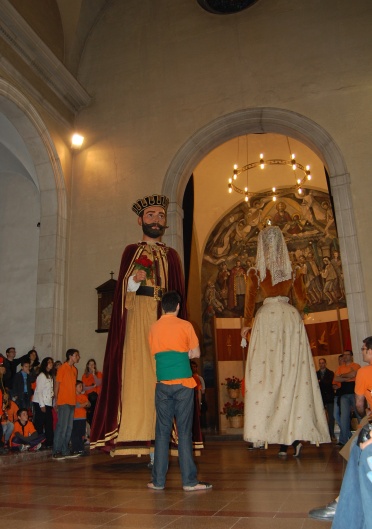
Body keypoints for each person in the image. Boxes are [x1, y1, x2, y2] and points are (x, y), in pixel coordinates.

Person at [90, 194, 188, 457]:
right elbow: (123, 290)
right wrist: (133, 279)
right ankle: (137, 434)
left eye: (160, 216)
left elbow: (178, 293)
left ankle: (164, 437)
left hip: (164, 321)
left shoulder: (172, 256)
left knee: (164, 375)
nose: (156, 220)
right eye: (151, 216)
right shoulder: (131, 251)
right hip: (137, 321)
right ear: (140, 220)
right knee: (138, 374)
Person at [241, 225, 330, 453]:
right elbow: (301, 301)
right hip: (290, 320)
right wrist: (300, 312)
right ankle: (294, 437)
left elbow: (249, 303)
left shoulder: (255, 272)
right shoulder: (293, 270)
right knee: (293, 377)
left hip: (267, 320)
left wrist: (245, 326)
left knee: (265, 379)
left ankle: (266, 433)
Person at [147, 291, 212, 491]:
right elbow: (196, 353)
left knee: (162, 433)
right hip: (184, 385)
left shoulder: (154, 327)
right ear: (177, 306)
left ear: (162, 307)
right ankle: (189, 482)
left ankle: (158, 482)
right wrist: (185, 352)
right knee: (184, 433)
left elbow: (155, 353)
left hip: (163, 385)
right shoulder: (185, 325)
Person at [309, 336, 372, 524]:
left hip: (359, 408)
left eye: (363, 348)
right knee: (355, 445)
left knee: (360, 444)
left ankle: (342, 502)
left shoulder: (361, 371)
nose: (362, 351)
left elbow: (359, 403)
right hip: (347, 400)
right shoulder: (360, 371)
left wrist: (365, 419)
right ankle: (343, 502)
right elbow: (337, 379)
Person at [52, 349, 80, 460]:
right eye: (76, 355)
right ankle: (56, 450)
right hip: (63, 402)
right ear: (70, 356)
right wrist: (56, 400)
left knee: (69, 427)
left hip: (72, 401)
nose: (78, 357)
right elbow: (57, 385)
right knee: (61, 427)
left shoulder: (74, 369)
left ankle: (65, 450)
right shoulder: (62, 368)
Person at [333, 350, 361, 447]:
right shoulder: (340, 368)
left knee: (359, 415)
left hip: (354, 393)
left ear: (351, 356)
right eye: (344, 355)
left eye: (347, 355)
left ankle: (363, 436)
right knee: (344, 417)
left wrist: (342, 376)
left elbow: (354, 374)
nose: (345, 356)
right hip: (344, 394)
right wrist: (348, 376)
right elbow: (336, 379)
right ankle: (343, 440)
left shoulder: (356, 366)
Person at [32, 357, 54, 448]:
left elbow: (49, 389)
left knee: (49, 423)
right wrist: (42, 405)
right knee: (39, 423)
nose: (51, 364)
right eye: (49, 362)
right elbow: (39, 391)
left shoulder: (50, 375)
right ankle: (38, 442)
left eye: (51, 362)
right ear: (45, 364)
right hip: (40, 403)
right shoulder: (41, 375)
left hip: (48, 402)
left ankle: (49, 442)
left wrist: (52, 394)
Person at [317, 358, 336, 441]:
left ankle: (331, 433)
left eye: (323, 363)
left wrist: (320, 381)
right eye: (320, 363)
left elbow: (329, 383)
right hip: (320, 397)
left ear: (325, 363)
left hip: (329, 397)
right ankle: (323, 434)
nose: (321, 365)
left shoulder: (330, 373)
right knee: (321, 416)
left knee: (331, 416)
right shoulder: (316, 373)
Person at [71, 380, 90, 455]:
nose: (81, 388)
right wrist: (85, 403)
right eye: (79, 386)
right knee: (75, 434)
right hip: (75, 418)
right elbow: (77, 405)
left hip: (82, 417)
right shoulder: (73, 396)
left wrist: (85, 404)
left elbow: (89, 404)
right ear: (75, 387)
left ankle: (81, 448)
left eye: (82, 386)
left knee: (82, 434)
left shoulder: (83, 396)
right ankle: (76, 448)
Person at [82, 359, 102, 426]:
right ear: (87, 365)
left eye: (93, 364)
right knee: (90, 415)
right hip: (89, 396)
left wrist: (94, 374)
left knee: (95, 414)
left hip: (97, 396)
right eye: (90, 364)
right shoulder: (85, 376)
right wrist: (92, 386)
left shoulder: (98, 374)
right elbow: (84, 388)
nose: (91, 366)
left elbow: (98, 383)